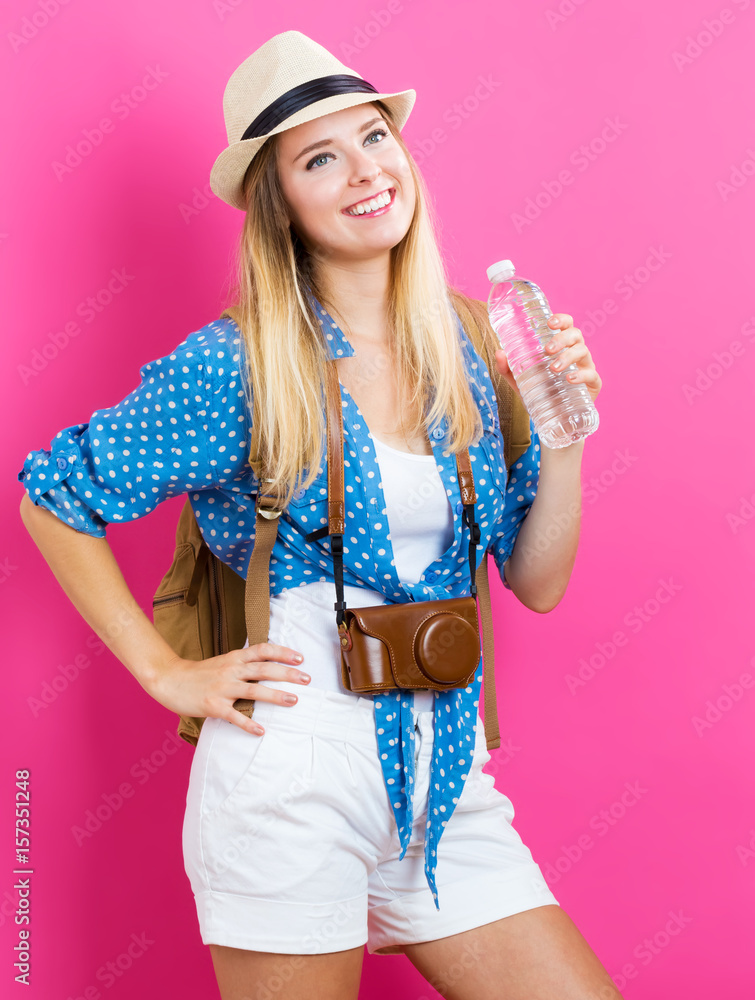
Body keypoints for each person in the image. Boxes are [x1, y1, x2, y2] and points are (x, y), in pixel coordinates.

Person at [17, 29, 617, 1000]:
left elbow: (536, 583)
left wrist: (564, 434)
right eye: (319, 157)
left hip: (445, 787)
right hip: (288, 785)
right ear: (279, 205)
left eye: (373, 136)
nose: (363, 170)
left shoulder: (469, 341)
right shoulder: (239, 364)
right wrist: (162, 670)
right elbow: (54, 493)